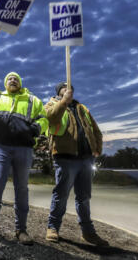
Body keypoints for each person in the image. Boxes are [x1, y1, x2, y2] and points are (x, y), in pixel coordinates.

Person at [0, 64, 48, 245]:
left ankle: (21, 230)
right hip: (1, 148)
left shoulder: (32, 100)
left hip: (24, 149)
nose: (12, 80)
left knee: (21, 188)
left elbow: (44, 118)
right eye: (9, 78)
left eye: (16, 78)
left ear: (20, 83)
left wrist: (36, 128)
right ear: (5, 83)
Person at [44, 82, 109, 247]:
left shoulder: (82, 108)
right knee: (61, 194)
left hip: (86, 158)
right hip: (65, 157)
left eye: (70, 88)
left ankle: (88, 232)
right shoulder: (52, 104)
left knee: (84, 197)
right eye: (64, 88)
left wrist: (97, 148)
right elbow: (51, 118)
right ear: (59, 92)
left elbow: (95, 129)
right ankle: (53, 228)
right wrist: (63, 102)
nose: (68, 90)